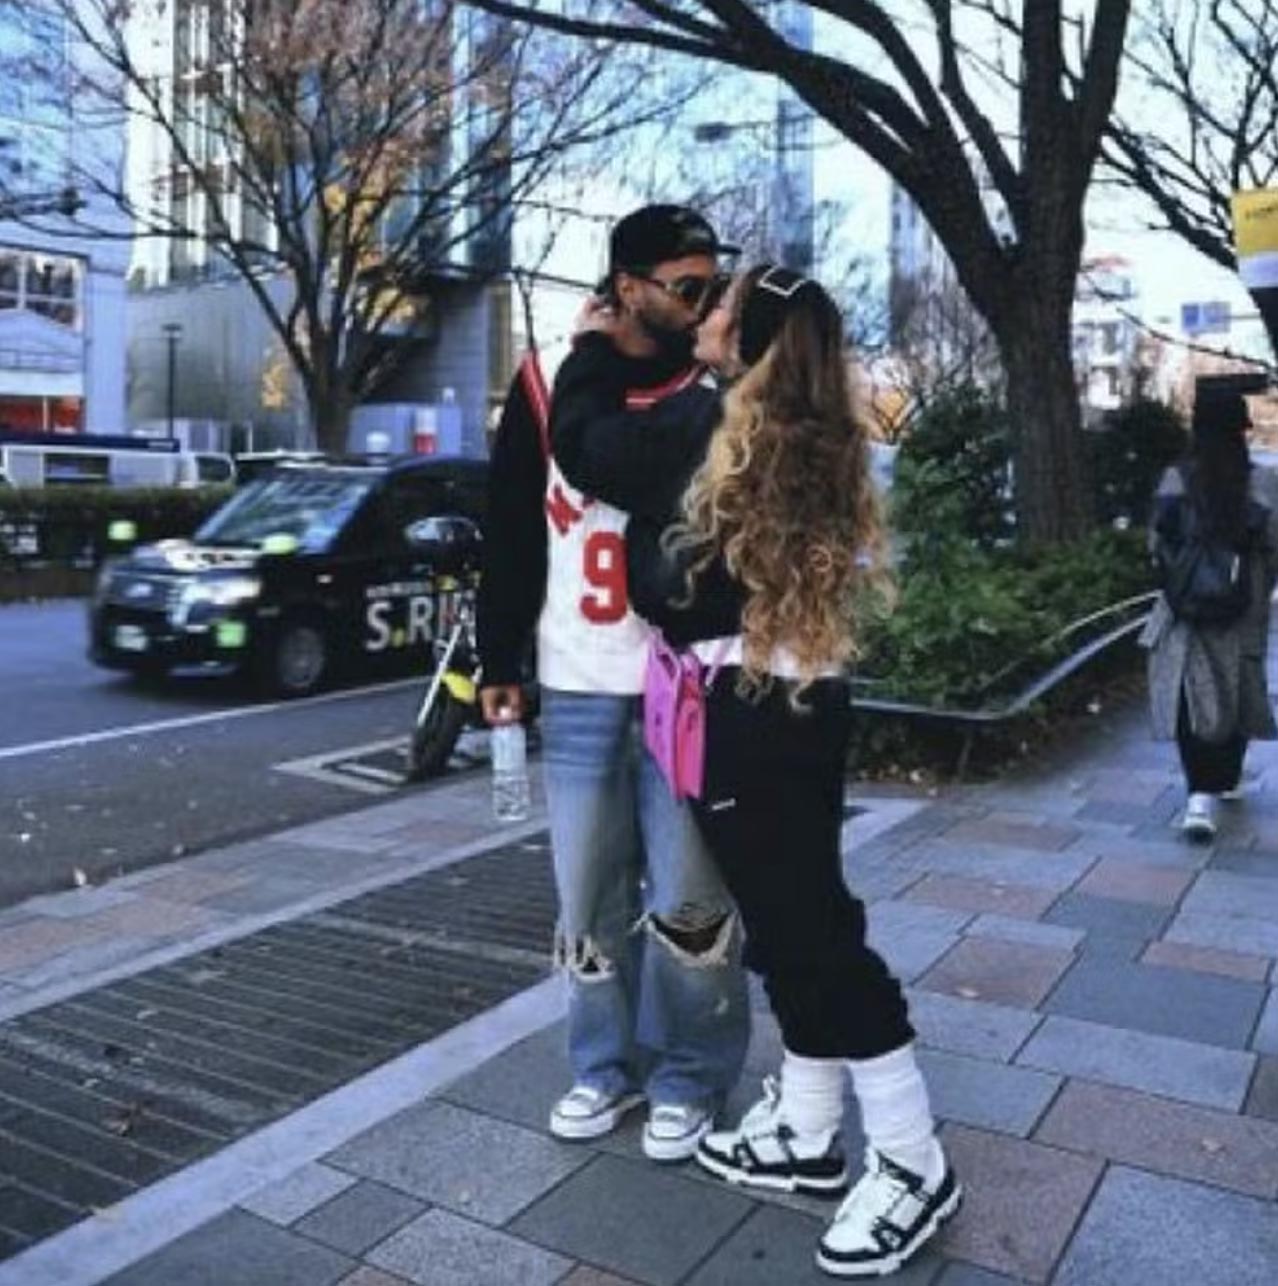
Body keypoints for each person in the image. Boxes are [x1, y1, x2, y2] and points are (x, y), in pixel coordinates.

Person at [550, 264, 960, 1279]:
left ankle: (912, 1158)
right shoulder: (792, 429)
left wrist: (591, 349)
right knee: (792, 927)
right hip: (786, 703)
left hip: (753, 714)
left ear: (756, 340)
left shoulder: (725, 431)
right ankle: (812, 1128)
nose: (708, 316)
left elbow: (587, 447)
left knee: (817, 938)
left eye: (724, 307)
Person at [475, 205, 750, 1162]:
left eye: (713, 283)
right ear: (626, 285)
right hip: (582, 679)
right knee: (586, 894)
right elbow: (510, 528)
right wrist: (495, 660)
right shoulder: (550, 380)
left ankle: (693, 1075)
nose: (704, 301)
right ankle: (602, 1067)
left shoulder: (720, 387)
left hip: (690, 681)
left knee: (689, 896)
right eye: (685, 285)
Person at [1143, 387, 1278, 841]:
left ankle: (1200, 795)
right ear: (1241, 430)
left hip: (1188, 608)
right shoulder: (1261, 483)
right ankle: (1226, 778)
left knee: (1193, 694)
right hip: (1246, 608)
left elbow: (1156, 543)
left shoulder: (1176, 477)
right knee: (1237, 687)